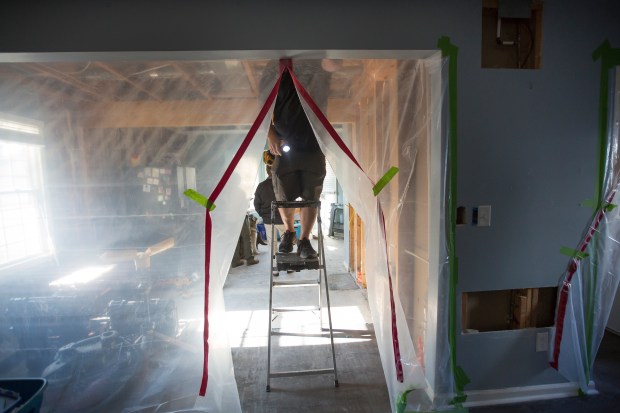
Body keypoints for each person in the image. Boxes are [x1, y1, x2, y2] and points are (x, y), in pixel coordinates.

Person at [264, 59, 340, 259]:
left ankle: (304, 241)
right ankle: (289, 233)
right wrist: (269, 133)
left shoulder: (316, 64)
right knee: (283, 196)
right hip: (283, 145)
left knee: (311, 197)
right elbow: (260, 105)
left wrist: (330, 59)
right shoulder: (277, 67)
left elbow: (332, 64)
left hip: (314, 145)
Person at [254, 165, 291, 275]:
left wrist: (264, 215)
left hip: (269, 220)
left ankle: (275, 269)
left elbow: (256, 204)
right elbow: (290, 201)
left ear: (266, 171)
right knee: (287, 243)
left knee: (272, 244)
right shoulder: (284, 184)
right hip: (283, 219)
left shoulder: (261, 186)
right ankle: (288, 267)